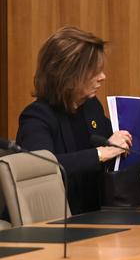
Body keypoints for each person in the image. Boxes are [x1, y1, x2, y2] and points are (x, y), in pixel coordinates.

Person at [15, 26, 133, 214]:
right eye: (94, 71)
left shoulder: (92, 107)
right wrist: (100, 154)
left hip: (97, 214)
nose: (103, 77)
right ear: (67, 75)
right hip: (56, 220)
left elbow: (110, 150)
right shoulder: (36, 117)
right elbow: (43, 168)